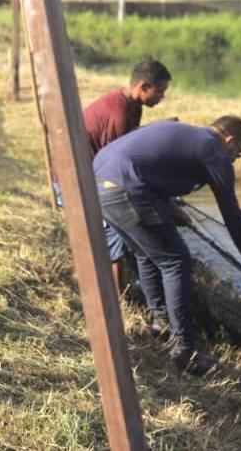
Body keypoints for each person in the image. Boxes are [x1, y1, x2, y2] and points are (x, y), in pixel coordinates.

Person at [93, 116, 241, 375]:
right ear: (230, 140)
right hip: (125, 187)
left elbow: (153, 165)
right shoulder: (214, 150)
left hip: (98, 183)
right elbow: (231, 212)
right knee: (176, 262)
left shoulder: (192, 136)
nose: (234, 159)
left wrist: (170, 207)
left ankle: (161, 325)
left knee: (147, 253)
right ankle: (185, 352)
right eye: (238, 153)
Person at [81, 58, 171, 299]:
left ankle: (123, 285)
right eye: (159, 91)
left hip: (99, 172)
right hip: (83, 179)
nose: (161, 97)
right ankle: (118, 298)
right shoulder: (118, 111)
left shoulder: (134, 106)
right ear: (143, 87)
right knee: (116, 229)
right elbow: (115, 165)